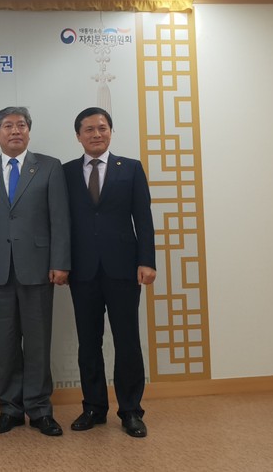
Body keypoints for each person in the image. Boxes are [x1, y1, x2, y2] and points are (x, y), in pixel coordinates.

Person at [0, 106, 71, 437]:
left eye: (21, 125)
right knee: (4, 344)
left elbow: (60, 218)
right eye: (8, 126)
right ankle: (10, 409)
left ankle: (40, 409)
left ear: (29, 132)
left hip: (39, 269)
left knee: (37, 343)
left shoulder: (49, 166)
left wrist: (60, 262)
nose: (15, 130)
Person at [63, 106, 156, 438]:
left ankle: (130, 410)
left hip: (123, 269)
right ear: (78, 136)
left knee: (127, 340)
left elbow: (143, 218)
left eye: (102, 128)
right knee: (88, 342)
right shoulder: (66, 172)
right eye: (89, 129)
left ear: (111, 132)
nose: (96, 134)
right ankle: (93, 407)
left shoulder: (130, 168)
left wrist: (147, 261)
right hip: (82, 269)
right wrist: (61, 263)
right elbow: (61, 222)